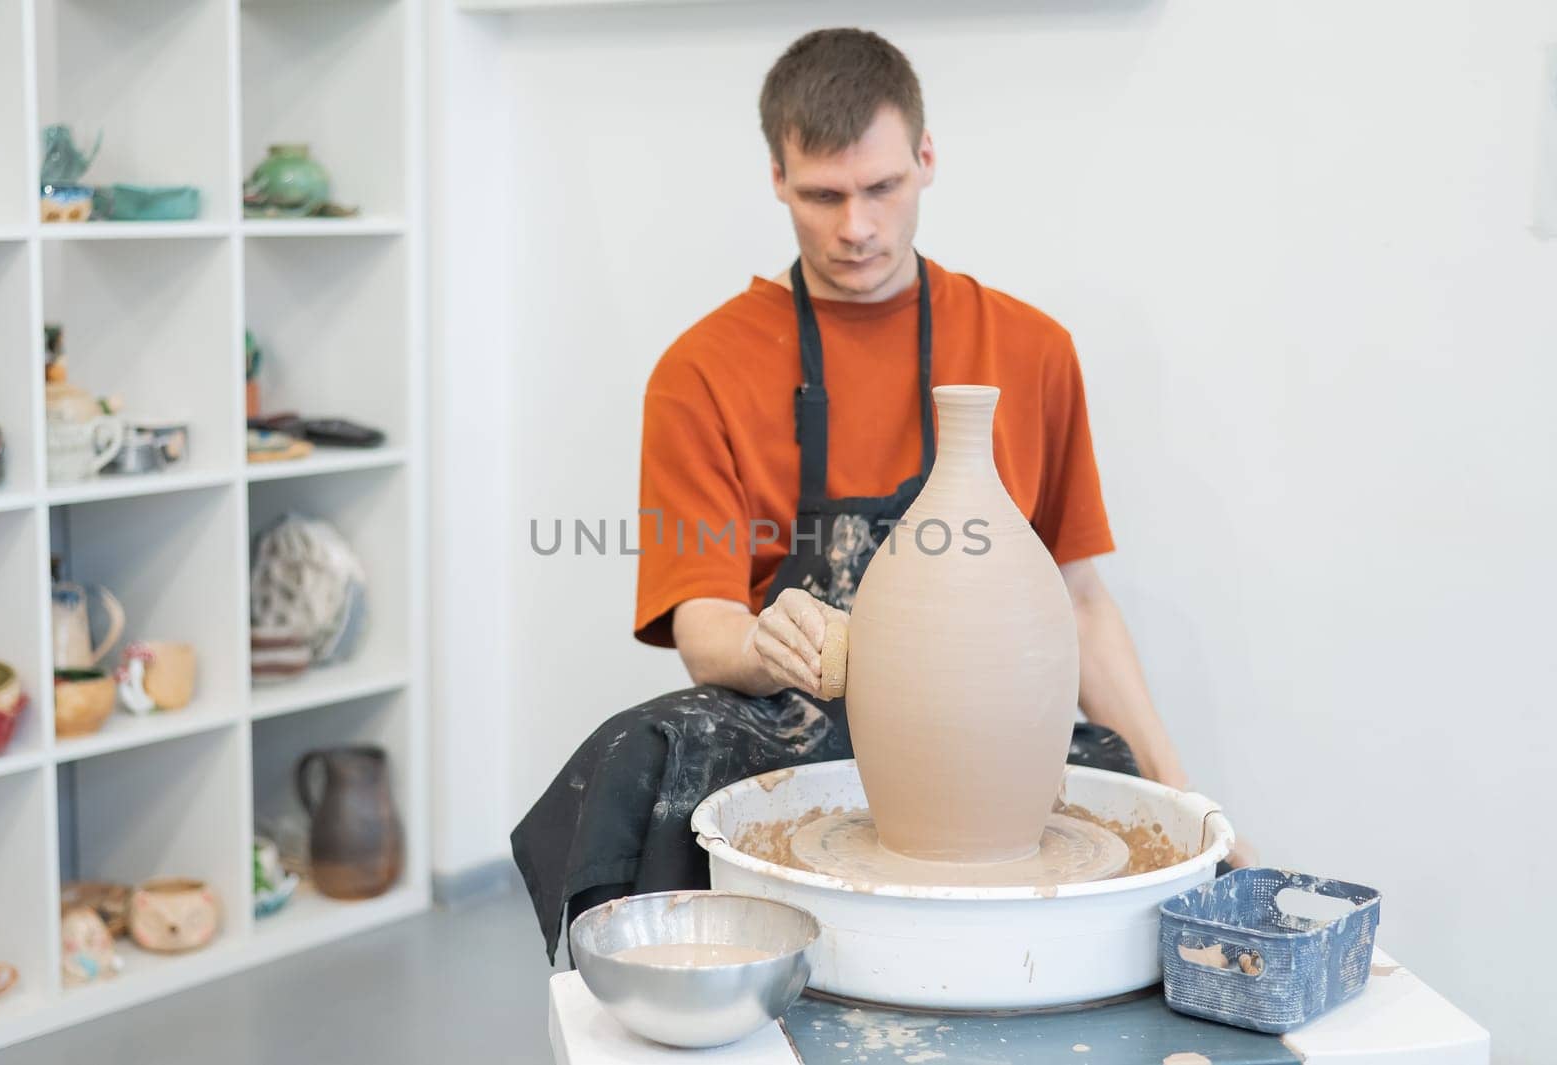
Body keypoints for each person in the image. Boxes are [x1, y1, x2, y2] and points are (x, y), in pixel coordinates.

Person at [512, 27, 1219, 964]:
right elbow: (704, 625)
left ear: (927, 159)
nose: (856, 227)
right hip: (791, 717)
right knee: (637, 758)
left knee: (1115, 781)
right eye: (823, 195)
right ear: (776, 177)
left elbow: (1080, 602)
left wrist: (1196, 812)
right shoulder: (701, 370)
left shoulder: (1030, 350)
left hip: (972, 738)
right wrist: (769, 642)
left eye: (882, 187)